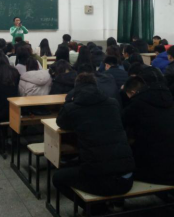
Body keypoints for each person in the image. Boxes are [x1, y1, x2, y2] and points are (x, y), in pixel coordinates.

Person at [52, 73, 135, 211]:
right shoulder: (113, 103)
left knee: (58, 177)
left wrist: (69, 101)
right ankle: (115, 203)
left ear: (76, 88)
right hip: (127, 177)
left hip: (101, 180)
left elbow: (61, 122)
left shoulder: (72, 108)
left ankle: (97, 210)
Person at [122, 70, 174, 186]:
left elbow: (122, 122)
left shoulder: (137, 104)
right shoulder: (167, 99)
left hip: (158, 166)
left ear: (133, 92)